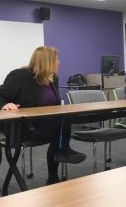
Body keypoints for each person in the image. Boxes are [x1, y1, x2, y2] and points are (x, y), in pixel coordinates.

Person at [0, 46, 86, 185]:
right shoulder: (21, 75)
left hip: (46, 126)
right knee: (61, 125)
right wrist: (4, 105)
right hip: (25, 128)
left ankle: (53, 175)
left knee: (63, 120)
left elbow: (56, 106)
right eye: (56, 59)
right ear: (46, 61)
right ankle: (63, 150)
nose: (59, 63)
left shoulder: (52, 79)